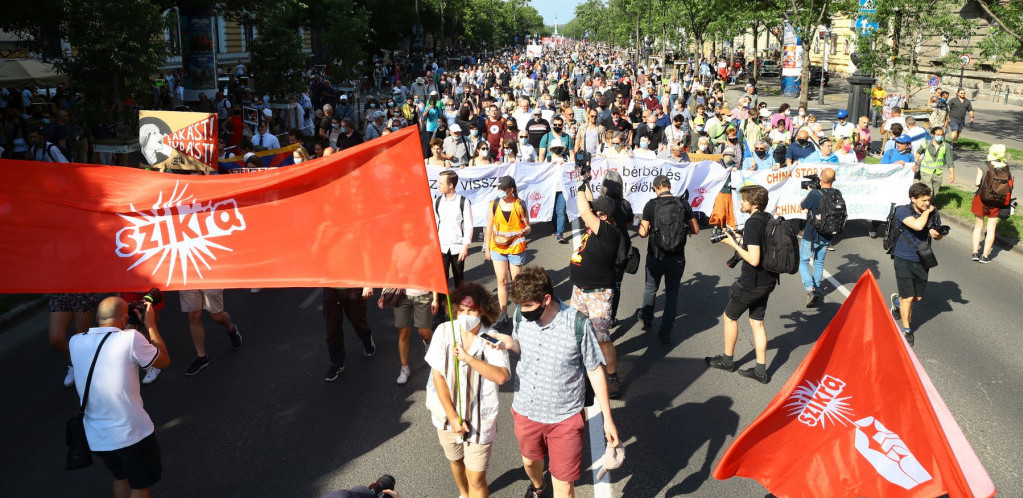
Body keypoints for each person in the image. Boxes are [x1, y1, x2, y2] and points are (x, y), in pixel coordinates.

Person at [492, 266, 620, 498]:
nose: (522, 311)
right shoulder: (521, 317)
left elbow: (595, 371)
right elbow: (524, 349)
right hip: (526, 411)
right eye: (520, 306)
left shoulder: (577, 324)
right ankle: (538, 487)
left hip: (565, 418)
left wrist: (607, 420)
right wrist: (511, 344)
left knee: (564, 488)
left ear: (546, 299)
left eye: (528, 305)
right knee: (530, 463)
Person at [69, 296, 170, 498]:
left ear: (97, 317)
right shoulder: (131, 338)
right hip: (131, 434)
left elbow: (109, 345)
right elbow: (163, 361)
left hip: (98, 436)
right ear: (125, 317)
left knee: (120, 477)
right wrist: (150, 325)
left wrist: (127, 324)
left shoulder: (75, 341)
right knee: (140, 484)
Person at [425, 282, 509, 498]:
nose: (465, 315)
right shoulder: (444, 332)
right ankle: (464, 494)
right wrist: (452, 416)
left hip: (480, 420)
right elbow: (437, 375)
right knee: (455, 461)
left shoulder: (491, 339)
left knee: (476, 477)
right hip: (446, 417)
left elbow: (501, 376)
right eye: (461, 310)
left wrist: (468, 358)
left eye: (471, 310)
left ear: (482, 310)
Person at [705, 184, 779, 384]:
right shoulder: (768, 219)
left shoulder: (754, 223)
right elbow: (758, 245)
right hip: (768, 281)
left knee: (729, 317)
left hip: (751, 282)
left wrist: (731, 244)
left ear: (754, 204)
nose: (740, 203)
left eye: (744, 200)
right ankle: (760, 370)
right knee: (757, 323)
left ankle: (727, 360)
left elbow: (754, 259)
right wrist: (737, 237)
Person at [570, 184, 623, 398]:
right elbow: (589, 208)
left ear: (605, 216)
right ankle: (581, 369)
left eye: (597, 212)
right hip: (580, 291)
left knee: (601, 337)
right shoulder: (598, 226)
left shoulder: (609, 232)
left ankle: (612, 377)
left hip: (598, 293)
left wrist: (579, 187)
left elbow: (584, 211)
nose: (591, 214)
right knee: (576, 332)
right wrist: (587, 180)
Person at [638, 175, 700, 344]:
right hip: (677, 257)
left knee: (650, 288)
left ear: (656, 188)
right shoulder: (683, 204)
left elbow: (643, 233)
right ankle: (666, 331)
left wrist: (641, 223)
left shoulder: (651, 205)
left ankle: (647, 320)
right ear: (669, 186)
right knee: (672, 294)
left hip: (656, 256)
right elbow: (695, 230)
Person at [890, 183, 946, 347]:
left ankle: (897, 304)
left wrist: (937, 235)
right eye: (923, 201)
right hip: (903, 257)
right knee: (908, 297)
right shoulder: (902, 211)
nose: (927, 204)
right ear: (913, 199)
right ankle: (907, 330)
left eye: (929, 200)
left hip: (922, 257)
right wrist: (928, 212)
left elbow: (936, 234)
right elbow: (918, 225)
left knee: (917, 297)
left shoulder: (932, 212)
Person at [486, 176, 531, 328]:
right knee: (501, 281)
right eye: (498, 189)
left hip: (516, 248)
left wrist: (525, 231)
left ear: (511, 190)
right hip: (498, 247)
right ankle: (503, 314)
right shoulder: (494, 204)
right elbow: (489, 227)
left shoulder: (520, 205)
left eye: (502, 190)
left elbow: (528, 225)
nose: (499, 192)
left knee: (517, 282)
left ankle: (520, 312)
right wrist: (487, 248)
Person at [798, 168, 838, 308]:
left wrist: (810, 191)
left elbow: (802, 206)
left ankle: (810, 289)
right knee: (819, 262)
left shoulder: (815, 193)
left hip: (812, 234)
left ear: (821, 178)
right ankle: (816, 287)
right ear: (833, 180)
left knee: (803, 261)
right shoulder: (837, 193)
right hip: (827, 234)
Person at [179, 289, 242, 376]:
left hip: (208, 277)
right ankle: (202, 357)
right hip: (188, 278)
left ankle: (230, 328)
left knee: (217, 315)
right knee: (193, 315)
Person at [322, 287, 376, 382]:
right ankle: (337, 364)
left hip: (353, 287)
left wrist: (368, 283)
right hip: (331, 289)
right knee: (332, 329)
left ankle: (367, 339)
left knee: (358, 322)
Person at [435, 170, 474, 302]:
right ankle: (440, 310)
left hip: (458, 247)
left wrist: (465, 246)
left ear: (451, 185)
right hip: (442, 246)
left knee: (459, 279)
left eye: (441, 183)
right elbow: (436, 223)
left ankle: (459, 308)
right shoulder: (438, 201)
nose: (438, 185)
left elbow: (468, 225)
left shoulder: (463, 202)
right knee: (442, 280)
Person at [971, 144, 1012, 264]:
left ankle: (975, 252)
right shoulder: (1006, 167)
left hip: (981, 198)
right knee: (991, 229)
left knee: (978, 226)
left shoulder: (983, 165)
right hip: (997, 201)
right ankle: (985, 256)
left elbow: (977, 183)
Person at [914, 126, 954, 195]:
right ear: (933, 134)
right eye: (938, 135)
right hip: (925, 172)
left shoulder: (946, 146)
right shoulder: (926, 143)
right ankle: (926, 204)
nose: (940, 136)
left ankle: (930, 203)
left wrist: (952, 174)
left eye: (942, 135)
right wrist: (915, 164)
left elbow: (949, 161)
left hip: (938, 174)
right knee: (929, 191)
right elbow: (918, 152)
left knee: (934, 193)